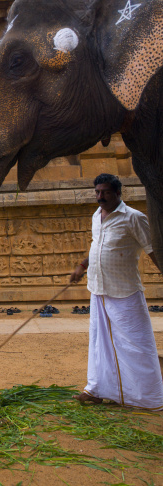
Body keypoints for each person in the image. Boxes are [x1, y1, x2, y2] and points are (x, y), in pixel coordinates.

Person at [70, 174, 163, 410]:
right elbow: (97, 246)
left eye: (105, 193)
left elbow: (152, 249)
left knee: (137, 345)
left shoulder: (134, 218)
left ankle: (150, 399)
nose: (100, 197)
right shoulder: (96, 216)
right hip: (99, 289)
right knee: (100, 343)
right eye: (97, 192)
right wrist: (82, 266)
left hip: (125, 291)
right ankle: (96, 389)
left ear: (118, 193)